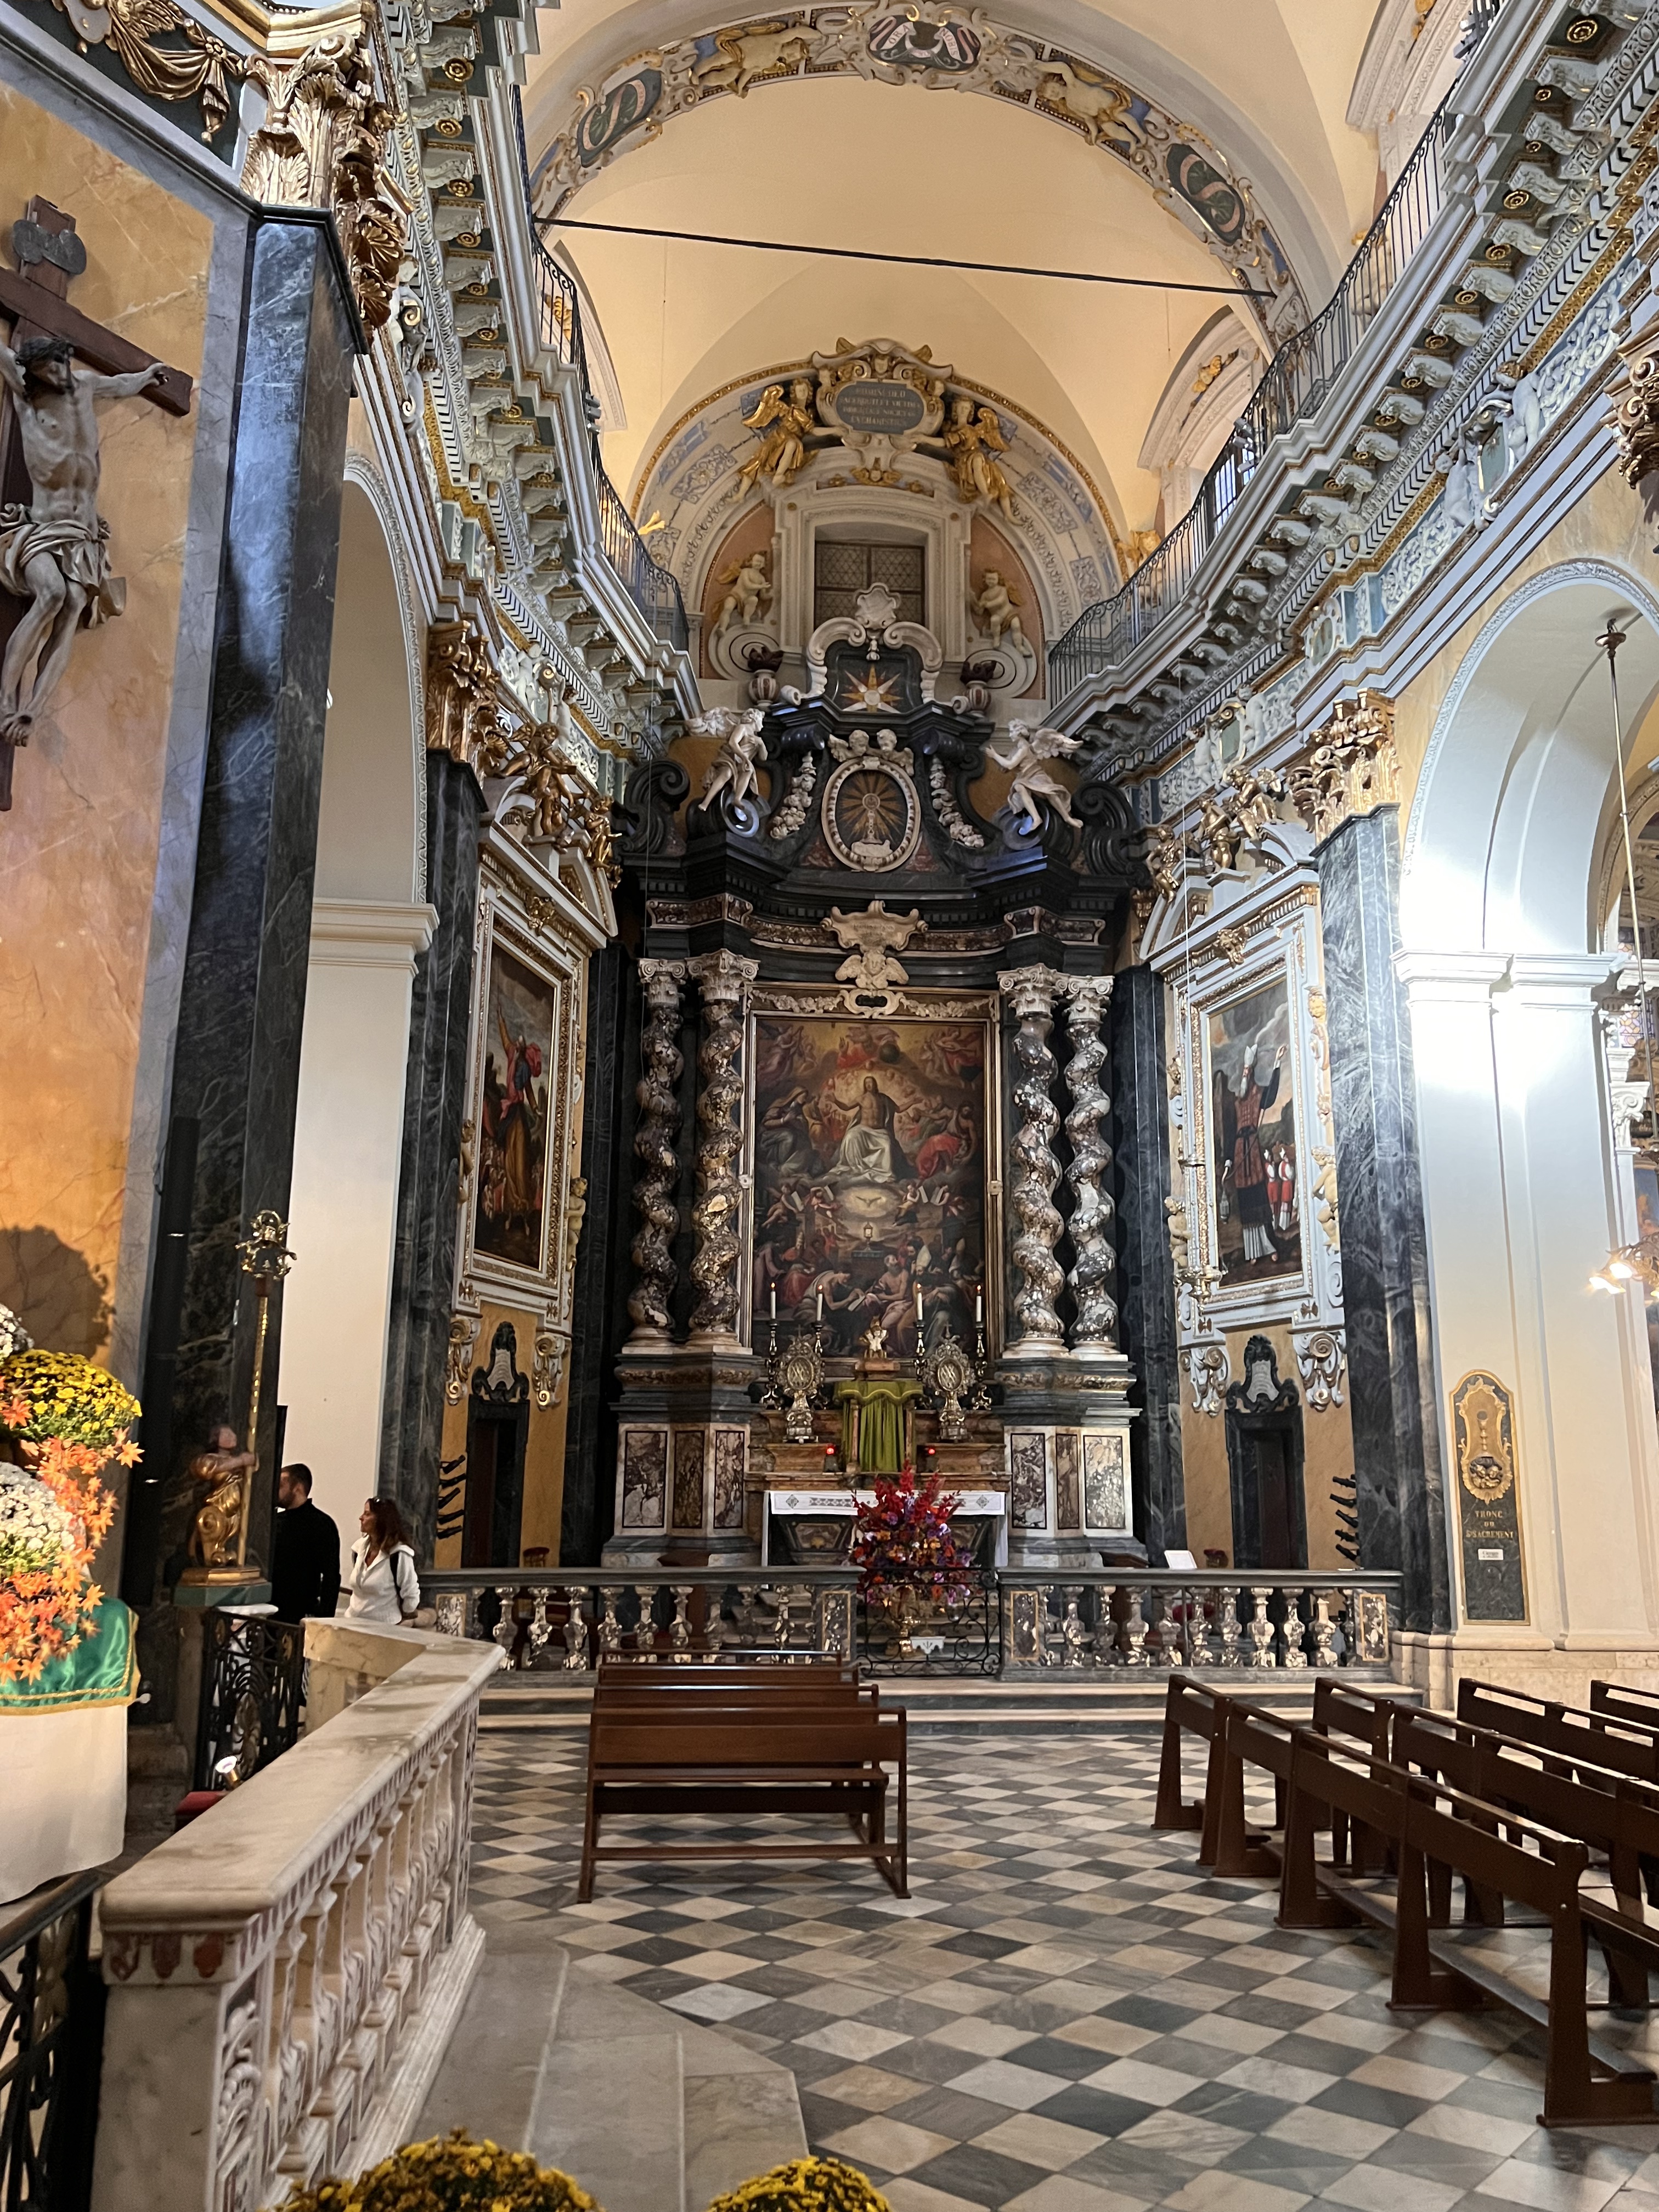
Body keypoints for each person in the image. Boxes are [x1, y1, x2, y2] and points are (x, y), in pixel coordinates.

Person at [270, 1464, 341, 1624]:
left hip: (302, 1614)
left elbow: (331, 1576)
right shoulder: (275, 1522)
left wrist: (324, 1619)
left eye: (281, 1485)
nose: (276, 1491)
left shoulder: (322, 1524)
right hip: (270, 1611)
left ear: (298, 1487)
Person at [344, 1497, 421, 1625]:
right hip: (353, 1623)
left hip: (383, 1627)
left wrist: (405, 1613)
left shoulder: (399, 1554)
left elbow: (411, 1594)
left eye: (367, 1514)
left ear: (380, 1520)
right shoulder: (359, 1549)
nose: (361, 1518)